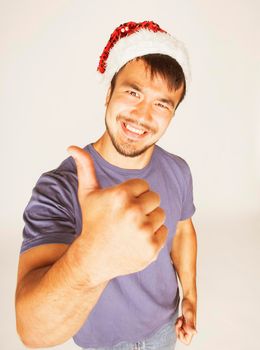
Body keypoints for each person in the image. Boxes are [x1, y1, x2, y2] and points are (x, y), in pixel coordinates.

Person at [15, 20, 198, 350]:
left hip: (165, 328)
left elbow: (183, 230)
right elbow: (33, 331)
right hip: (103, 342)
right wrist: (92, 256)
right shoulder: (59, 187)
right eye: (132, 92)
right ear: (108, 93)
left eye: (162, 104)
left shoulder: (178, 170)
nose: (143, 115)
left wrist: (190, 296)